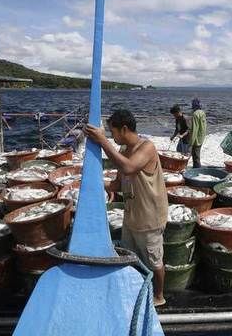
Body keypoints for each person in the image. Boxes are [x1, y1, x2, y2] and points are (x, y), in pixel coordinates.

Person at [83, 109, 168, 307]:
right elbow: (117, 185)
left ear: (124, 129)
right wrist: (94, 181)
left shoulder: (147, 147)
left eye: (113, 133)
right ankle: (137, 288)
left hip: (150, 217)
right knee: (131, 256)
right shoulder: (123, 151)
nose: (112, 137)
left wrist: (103, 141)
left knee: (154, 261)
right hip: (132, 216)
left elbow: (129, 167)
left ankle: (159, 296)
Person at [188, 98, 206, 168]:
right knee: (197, 155)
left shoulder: (195, 114)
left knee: (195, 156)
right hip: (201, 136)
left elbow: (195, 129)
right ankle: (197, 169)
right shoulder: (202, 112)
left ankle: (197, 171)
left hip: (196, 139)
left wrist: (191, 142)